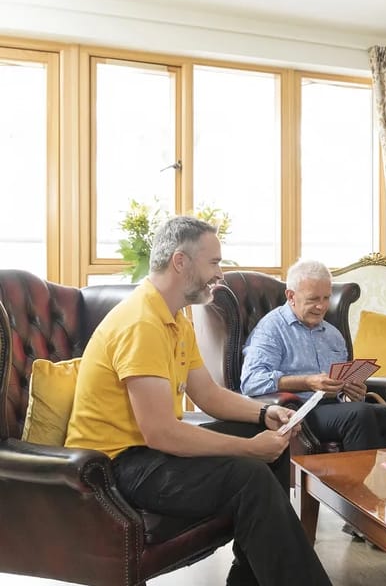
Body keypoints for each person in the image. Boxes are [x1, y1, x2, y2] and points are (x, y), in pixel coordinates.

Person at [65, 216, 332, 586]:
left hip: (147, 453)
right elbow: (161, 433)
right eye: (214, 262)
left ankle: (250, 580)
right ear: (181, 262)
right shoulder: (141, 323)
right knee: (250, 475)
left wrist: (264, 412)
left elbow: (207, 394)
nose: (220, 273)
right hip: (115, 466)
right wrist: (249, 449)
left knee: (273, 442)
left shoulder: (174, 320)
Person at [239, 258, 386, 452]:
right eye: (313, 299)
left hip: (337, 408)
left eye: (326, 298)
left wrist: (352, 393)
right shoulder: (271, 329)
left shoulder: (333, 335)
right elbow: (251, 381)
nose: (321, 307)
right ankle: (362, 471)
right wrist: (307, 382)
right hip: (299, 411)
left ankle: (370, 467)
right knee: (358, 414)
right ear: (291, 296)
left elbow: (343, 393)